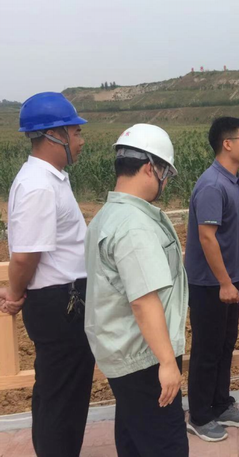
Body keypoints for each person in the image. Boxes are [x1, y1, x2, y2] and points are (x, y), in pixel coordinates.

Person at [84, 124, 189, 456]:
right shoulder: (134, 225)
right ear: (149, 168)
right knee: (166, 444)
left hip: (124, 352)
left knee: (133, 438)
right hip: (145, 357)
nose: (165, 183)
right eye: (165, 174)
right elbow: (144, 300)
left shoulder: (107, 216)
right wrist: (167, 363)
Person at [5, 92, 95, 456]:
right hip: (60, 303)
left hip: (64, 299)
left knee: (58, 390)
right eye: (76, 132)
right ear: (54, 135)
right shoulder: (39, 186)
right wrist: (14, 295)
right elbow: (25, 257)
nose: (81, 139)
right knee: (63, 396)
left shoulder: (50, 179)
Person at [185, 117, 239, 442]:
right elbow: (207, 237)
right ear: (227, 144)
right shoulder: (212, 185)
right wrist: (225, 283)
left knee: (224, 345)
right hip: (210, 284)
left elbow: (236, 217)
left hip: (227, 280)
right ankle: (200, 416)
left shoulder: (230, 180)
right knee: (207, 349)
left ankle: (220, 405)